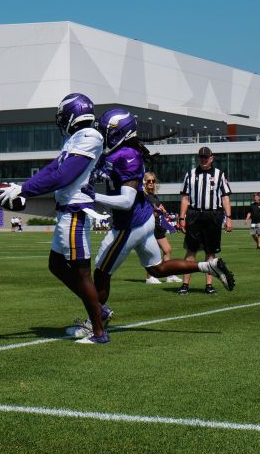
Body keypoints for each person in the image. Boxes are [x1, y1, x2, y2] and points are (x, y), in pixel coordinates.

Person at [87, 109, 234, 337]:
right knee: (156, 269)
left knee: (101, 272)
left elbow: (125, 201)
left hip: (130, 223)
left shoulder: (125, 155)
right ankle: (208, 266)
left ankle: (96, 320)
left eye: (107, 131)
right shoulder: (125, 152)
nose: (103, 135)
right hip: (143, 219)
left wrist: (91, 196)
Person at [0, 93, 109, 344]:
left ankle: (99, 331)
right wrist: (23, 186)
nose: (61, 120)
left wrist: (24, 191)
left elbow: (64, 176)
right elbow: (52, 168)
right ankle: (99, 311)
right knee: (56, 265)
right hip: (66, 211)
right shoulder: (75, 138)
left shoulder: (91, 136)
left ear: (72, 114)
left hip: (76, 212)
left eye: (63, 115)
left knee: (82, 274)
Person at [176, 146, 233, 294]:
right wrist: (182, 218)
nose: (203, 159)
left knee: (210, 252)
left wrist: (229, 218)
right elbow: (185, 198)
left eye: (206, 157)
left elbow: (225, 197)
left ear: (211, 158)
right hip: (194, 215)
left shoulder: (220, 174)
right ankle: (184, 284)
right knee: (191, 250)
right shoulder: (190, 174)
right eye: (201, 157)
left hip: (213, 215)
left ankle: (208, 285)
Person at [141, 172, 181, 285]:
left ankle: (169, 275)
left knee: (167, 250)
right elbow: (145, 213)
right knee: (154, 253)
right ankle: (150, 277)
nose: (151, 183)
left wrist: (162, 210)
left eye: (153, 181)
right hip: (150, 227)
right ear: (144, 182)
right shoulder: (143, 196)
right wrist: (157, 212)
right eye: (149, 181)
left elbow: (158, 210)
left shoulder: (153, 196)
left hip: (158, 227)